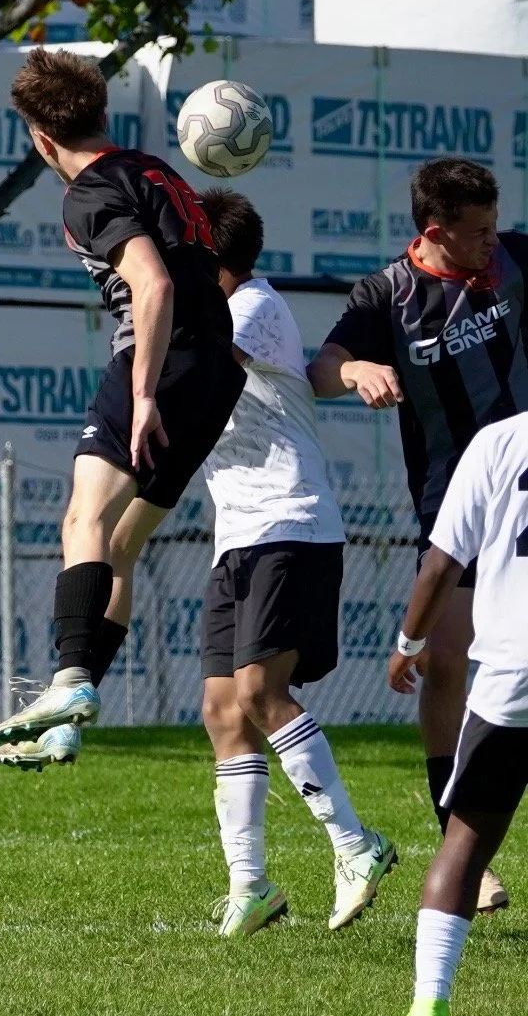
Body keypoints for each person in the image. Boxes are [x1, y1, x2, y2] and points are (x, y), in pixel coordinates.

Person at [0, 48, 246, 762]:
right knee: (121, 544)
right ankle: (67, 721)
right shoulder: (154, 169)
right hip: (214, 372)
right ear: (103, 115)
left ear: (43, 140)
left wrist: (141, 395)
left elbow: (153, 285)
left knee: (84, 517)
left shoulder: (88, 192)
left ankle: (70, 679)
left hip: (160, 365)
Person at [307, 156, 528, 914]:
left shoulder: (514, 258)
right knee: (444, 663)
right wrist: (357, 370)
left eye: (496, 227)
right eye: (477, 233)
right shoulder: (386, 296)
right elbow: (322, 365)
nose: (491, 244)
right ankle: (461, 845)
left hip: (524, 484)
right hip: (456, 504)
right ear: (435, 232)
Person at [197, 189, 396, 937]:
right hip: (238, 535)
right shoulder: (216, 303)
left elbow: (201, 354)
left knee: (259, 690)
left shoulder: (251, 306)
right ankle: (252, 884)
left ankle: (357, 844)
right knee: (223, 708)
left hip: (291, 521)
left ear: (212, 260)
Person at [388, 412, 528, 1016]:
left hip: (511, 676)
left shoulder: (498, 442)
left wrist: (408, 644)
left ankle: (429, 1002)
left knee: (464, 847)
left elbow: (442, 564)